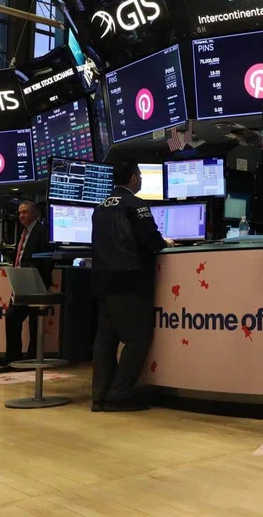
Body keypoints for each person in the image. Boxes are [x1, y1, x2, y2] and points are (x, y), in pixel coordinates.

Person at [91, 162, 174, 412]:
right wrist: (165, 243)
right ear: (133, 179)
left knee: (106, 341)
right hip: (129, 280)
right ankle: (119, 395)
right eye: (139, 176)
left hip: (102, 281)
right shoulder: (136, 204)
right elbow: (151, 240)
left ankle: (99, 396)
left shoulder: (99, 207)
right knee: (138, 338)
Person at [0, 201, 52, 374]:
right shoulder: (22, 232)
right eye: (19, 212)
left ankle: (32, 359)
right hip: (20, 282)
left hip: (35, 282)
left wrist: (42, 282)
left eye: (25, 212)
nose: (21, 215)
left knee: (35, 323)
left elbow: (48, 259)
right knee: (12, 318)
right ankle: (13, 360)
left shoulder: (42, 231)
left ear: (34, 213)